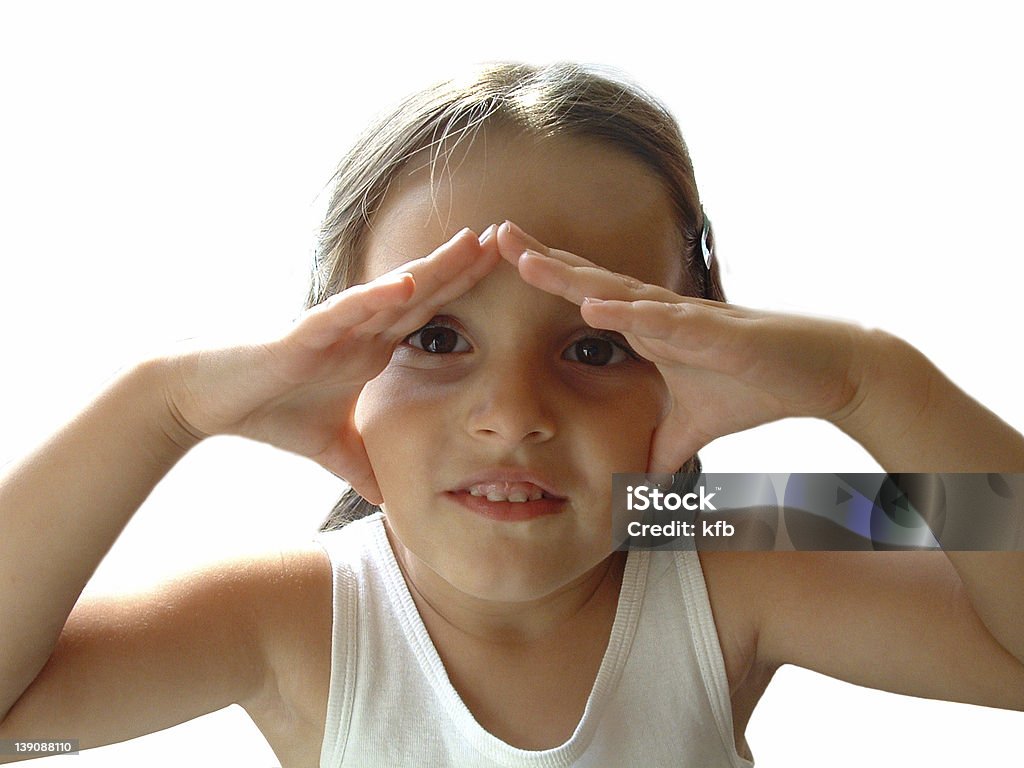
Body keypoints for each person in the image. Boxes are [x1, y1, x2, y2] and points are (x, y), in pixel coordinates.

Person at [1, 62, 1022, 767]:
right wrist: (159, 408)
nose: (513, 416)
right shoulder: (288, 611)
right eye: (435, 339)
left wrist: (872, 383)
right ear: (333, 359)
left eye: (595, 346)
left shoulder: (718, 542)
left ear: (690, 362)